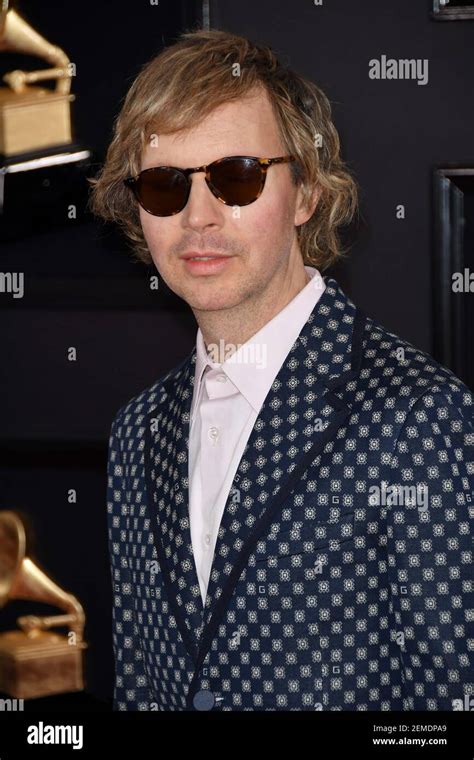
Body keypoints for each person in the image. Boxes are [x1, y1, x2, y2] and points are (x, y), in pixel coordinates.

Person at [90, 28, 473, 711]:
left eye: (236, 177)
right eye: (164, 185)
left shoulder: (422, 418)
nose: (198, 218)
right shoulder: (136, 431)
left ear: (306, 194)